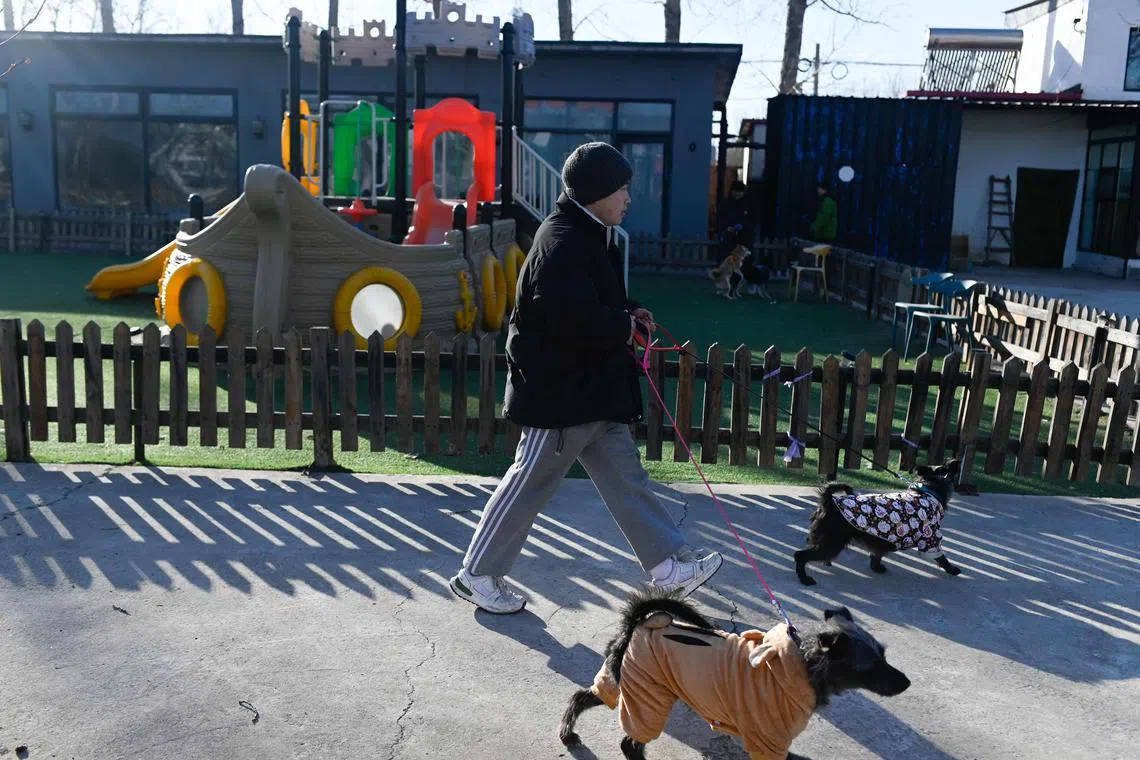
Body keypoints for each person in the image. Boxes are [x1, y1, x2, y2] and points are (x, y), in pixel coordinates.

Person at [449, 142, 723, 614]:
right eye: (622, 190)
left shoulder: (588, 233)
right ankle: (476, 574)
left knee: (627, 478)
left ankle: (666, 568)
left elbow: (595, 295)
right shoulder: (562, 241)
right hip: (559, 396)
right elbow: (569, 316)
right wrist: (622, 325)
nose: (628, 199)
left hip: (592, 392)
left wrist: (628, 309)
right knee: (528, 483)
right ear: (598, 193)